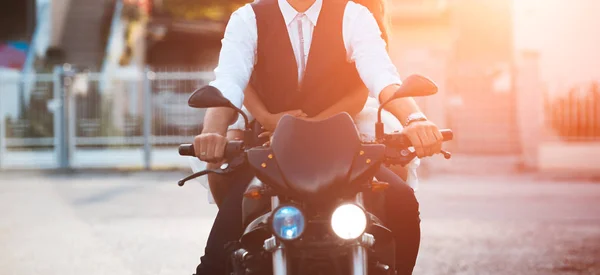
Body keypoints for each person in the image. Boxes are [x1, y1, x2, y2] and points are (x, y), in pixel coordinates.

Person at [193, 0, 444, 274]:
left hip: (345, 138)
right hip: (269, 143)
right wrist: (212, 132)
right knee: (219, 251)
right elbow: (229, 82)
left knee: (401, 199)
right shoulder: (248, 18)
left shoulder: (353, 15)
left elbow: (382, 77)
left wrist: (416, 119)